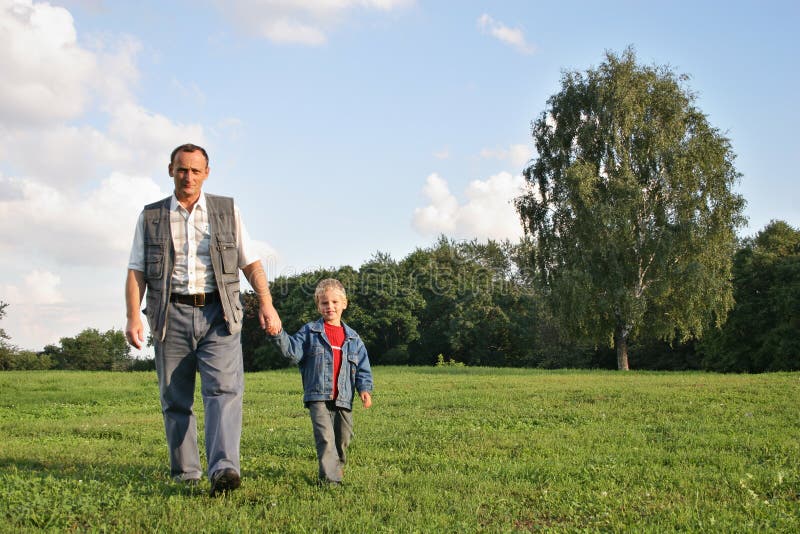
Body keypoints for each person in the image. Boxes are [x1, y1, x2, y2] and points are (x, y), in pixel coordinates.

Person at [124, 143, 281, 496]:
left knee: (224, 392)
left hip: (219, 314)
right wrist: (134, 315)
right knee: (175, 398)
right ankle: (186, 473)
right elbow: (136, 271)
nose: (188, 176)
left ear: (206, 173)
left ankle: (224, 470)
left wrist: (266, 304)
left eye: (196, 170)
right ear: (170, 170)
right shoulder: (150, 216)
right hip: (170, 314)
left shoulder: (226, 210)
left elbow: (250, 263)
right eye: (182, 169)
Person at [270, 278, 373, 485]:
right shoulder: (310, 332)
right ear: (318, 305)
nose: (330, 307)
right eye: (325, 303)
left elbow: (363, 366)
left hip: (343, 397)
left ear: (345, 303)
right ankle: (330, 480)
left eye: (335, 302)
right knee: (325, 438)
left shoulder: (353, 338)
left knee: (343, 437)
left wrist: (364, 388)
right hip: (317, 395)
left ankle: (337, 466)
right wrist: (278, 334)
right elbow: (293, 352)